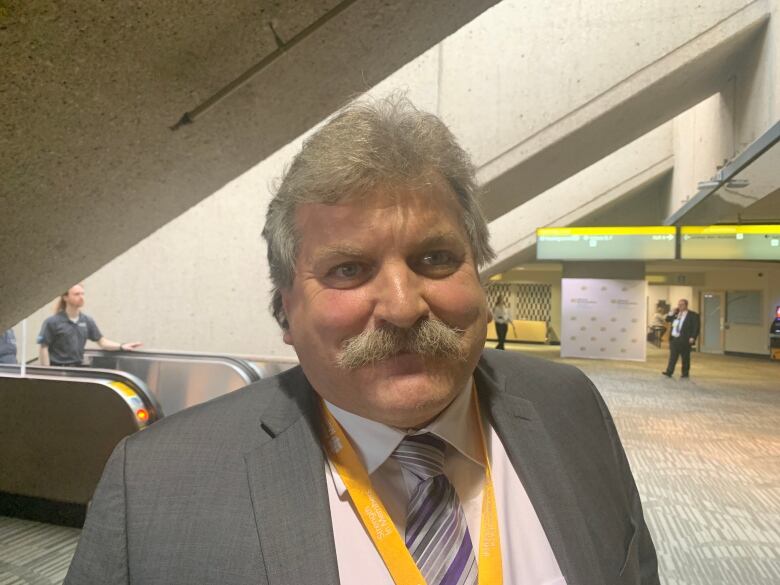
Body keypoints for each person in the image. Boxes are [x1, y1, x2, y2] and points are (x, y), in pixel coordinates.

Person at [65, 96, 659, 585]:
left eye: (436, 257)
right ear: (285, 313)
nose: (403, 307)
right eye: (348, 270)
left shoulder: (571, 408)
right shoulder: (157, 486)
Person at [37, 284, 142, 367]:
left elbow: (102, 342)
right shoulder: (52, 322)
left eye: (82, 294)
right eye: (76, 294)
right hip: (58, 369)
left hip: (78, 369)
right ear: (65, 297)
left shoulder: (87, 321)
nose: (81, 297)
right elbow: (43, 347)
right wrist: (47, 371)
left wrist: (121, 346)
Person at [662, 298, 700, 379]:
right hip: (674, 338)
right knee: (673, 356)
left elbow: (696, 327)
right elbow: (667, 320)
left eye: (682, 305)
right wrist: (671, 313)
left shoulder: (693, 315)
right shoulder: (676, 314)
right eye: (679, 305)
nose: (680, 306)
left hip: (685, 339)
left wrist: (693, 337)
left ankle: (685, 373)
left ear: (686, 305)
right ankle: (669, 371)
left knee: (685, 357)